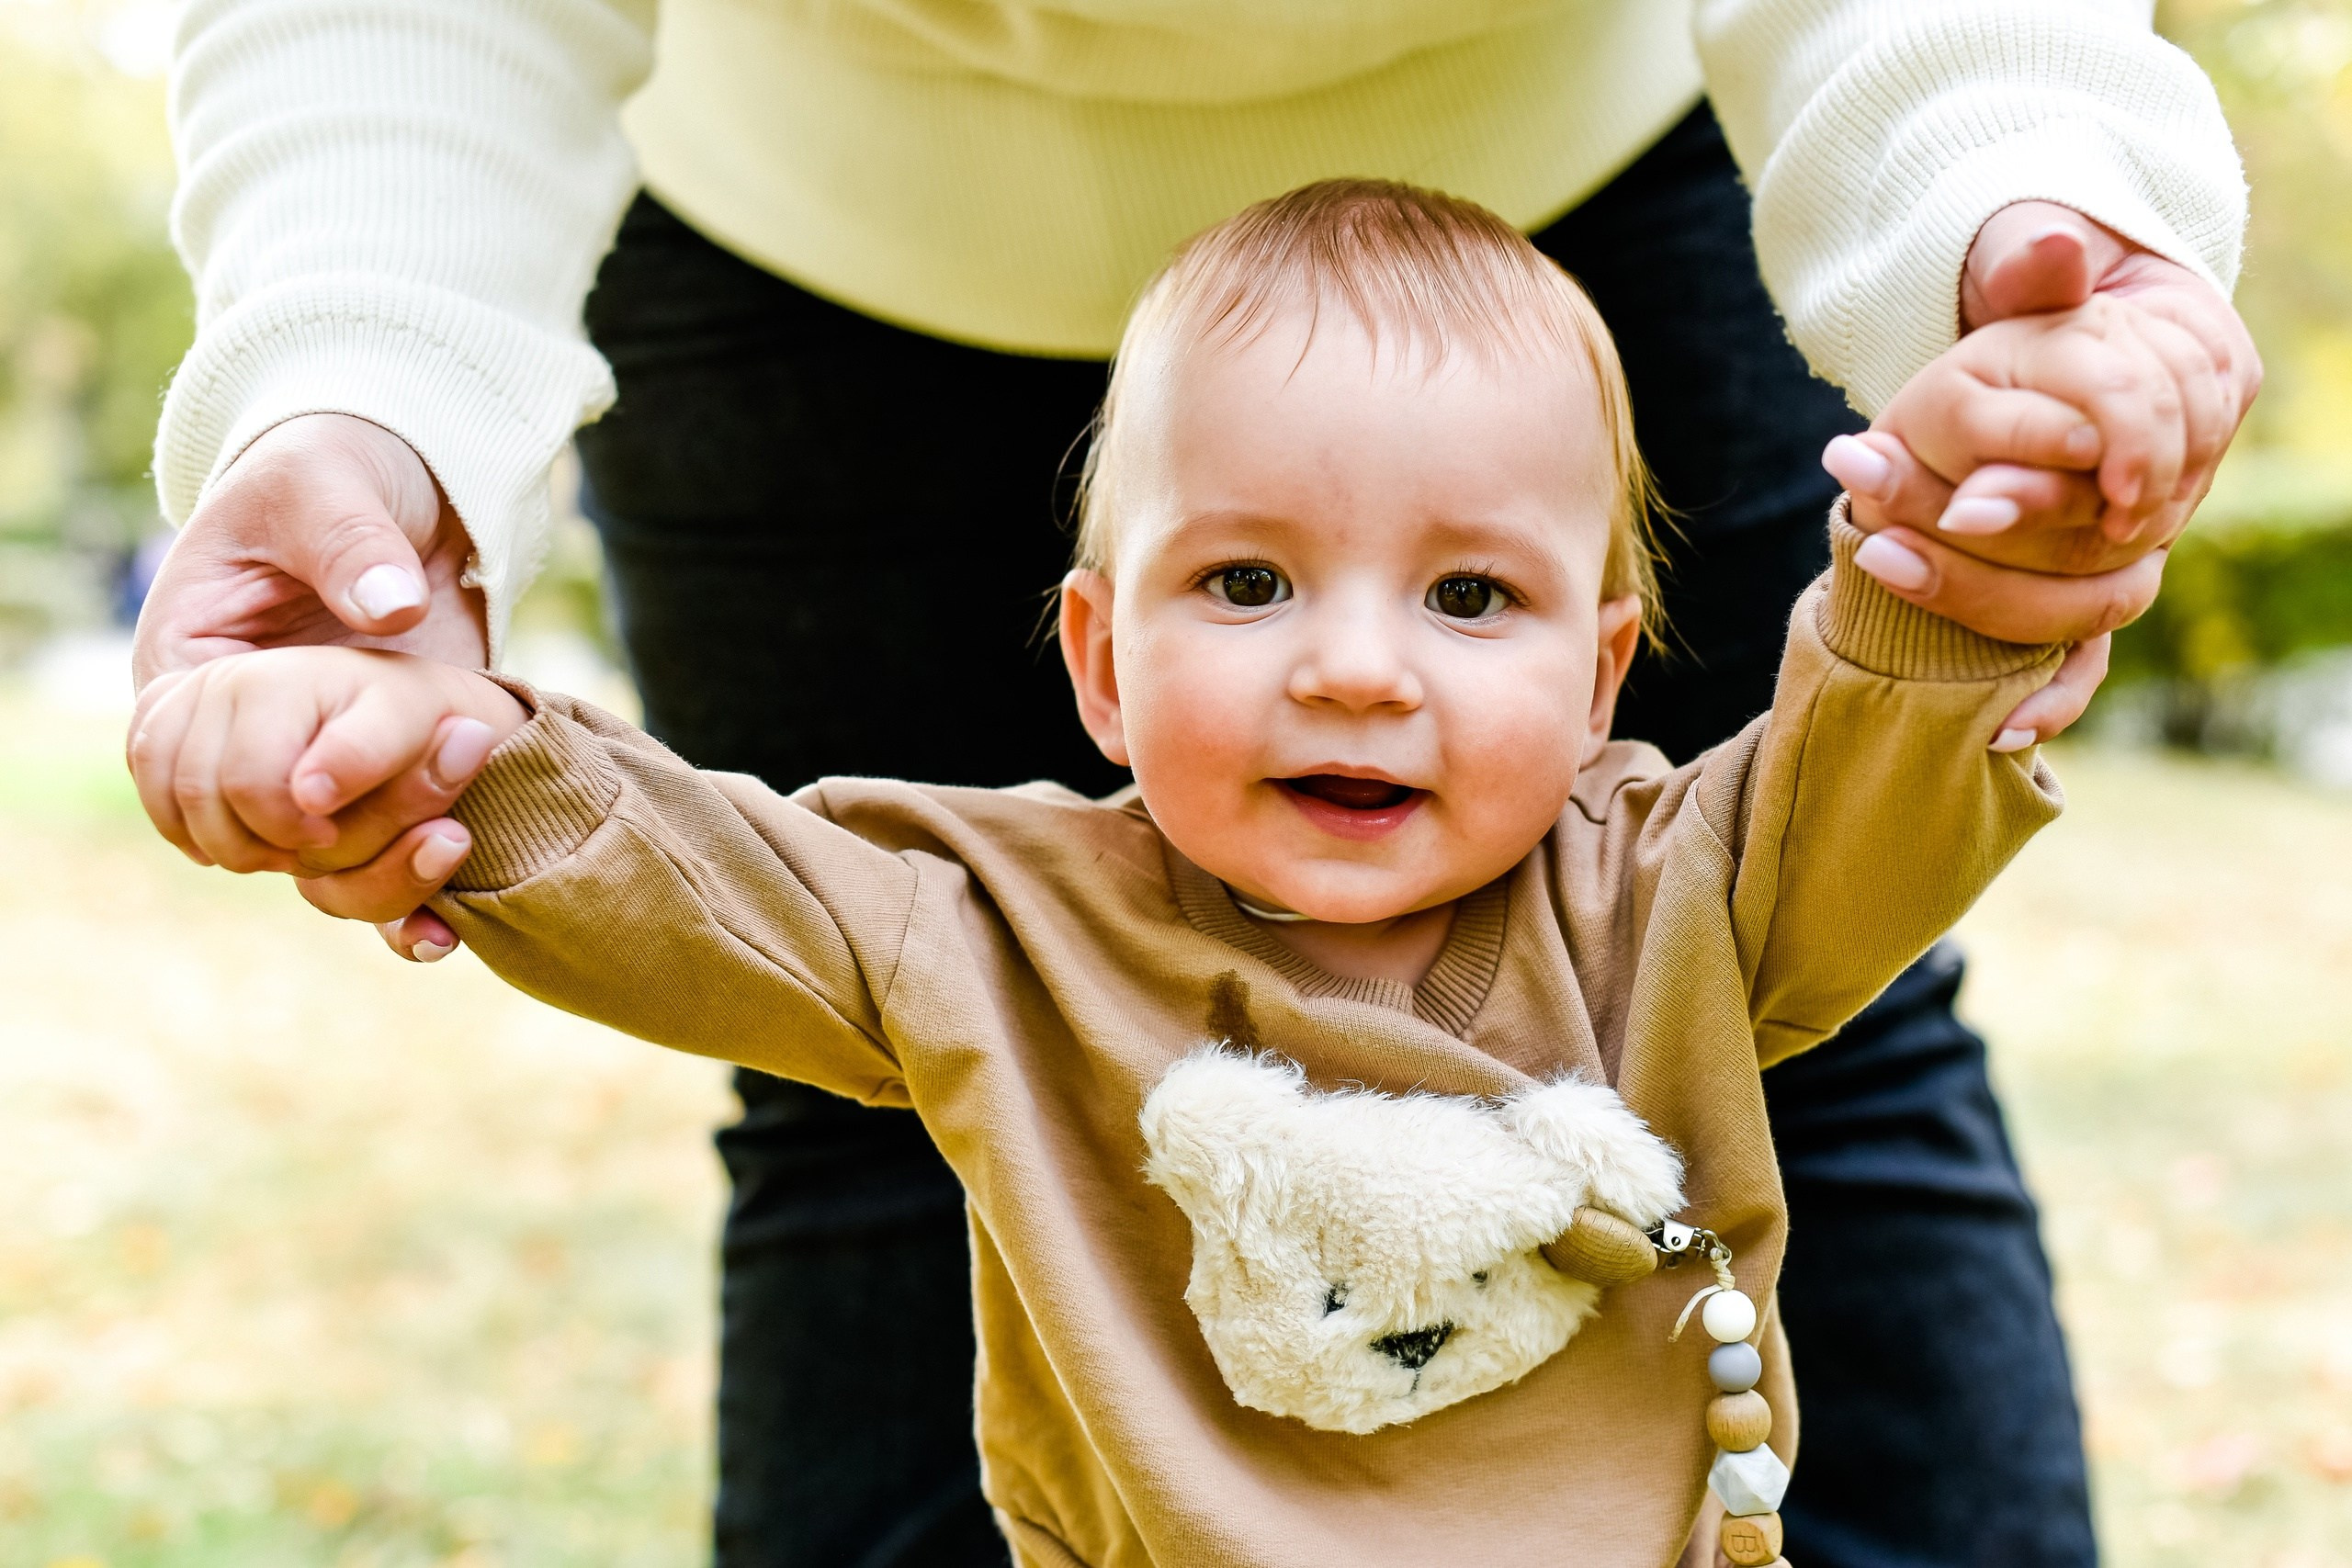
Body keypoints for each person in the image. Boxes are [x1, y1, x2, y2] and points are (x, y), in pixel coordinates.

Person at [135, 4, 2259, 1562]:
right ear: (1091, 658)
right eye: (1245, 582)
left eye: (1467, 594)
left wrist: (1991, 520)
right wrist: (419, 733)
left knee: (1853, 1083)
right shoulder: (981, 924)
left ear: (1607, 666)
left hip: (1593, 113)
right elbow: (684, 876)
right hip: (804, 184)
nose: (1353, 664)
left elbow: (1876, 746)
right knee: (851, 1166)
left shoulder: (1681, 896)